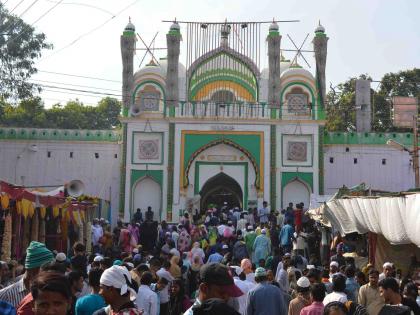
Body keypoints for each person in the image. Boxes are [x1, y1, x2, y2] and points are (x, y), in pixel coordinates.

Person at [0, 241, 54, 307]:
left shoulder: (53, 293)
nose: (50, 275)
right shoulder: (5, 296)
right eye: (47, 270)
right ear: (32, 270)